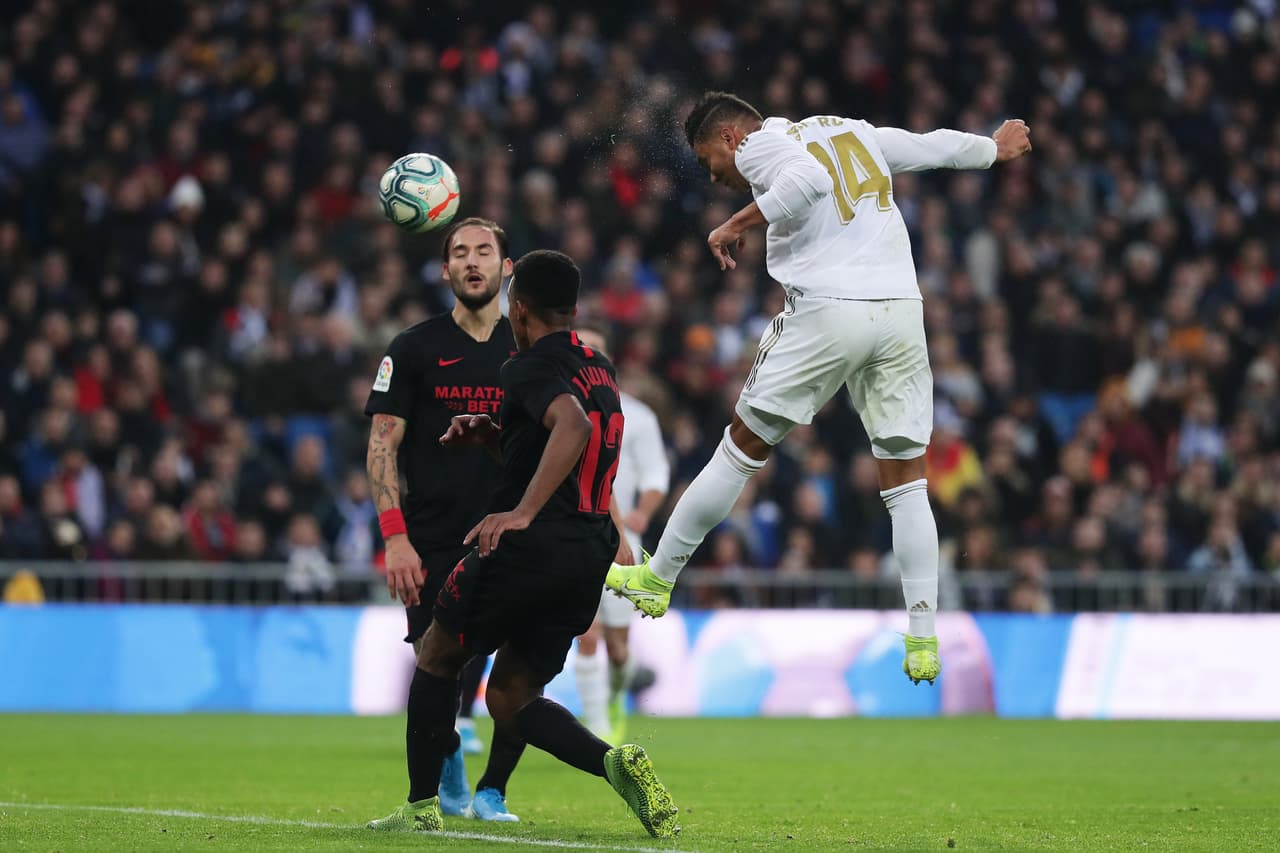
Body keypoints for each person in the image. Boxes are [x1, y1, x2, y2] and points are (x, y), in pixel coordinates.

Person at [607, 92, 1032, 685]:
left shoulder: (764, 144)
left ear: (730, 138)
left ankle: (657, 578)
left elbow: (804, 181)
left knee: (741, 447)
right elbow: (927, 146)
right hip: (901, 312)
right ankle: (923, 639)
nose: (716, 176)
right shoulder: (850, 131)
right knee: (906, 482)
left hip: (830, 308)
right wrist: (991, 148)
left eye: (710, 161)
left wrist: (736, 223)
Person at [367, 250, 679, 838]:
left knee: (436, 655)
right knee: (512, 695)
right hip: (585, 552)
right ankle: (612, 763)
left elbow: (573, 428)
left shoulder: (525, 366)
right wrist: (494, 438)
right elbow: (569, 446)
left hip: (531, 547)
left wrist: (519, 512)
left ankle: (418, 809)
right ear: (575, 309)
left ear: (520, 307)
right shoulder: (600, 367)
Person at [363, 217, 524, 822]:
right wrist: (395, 538)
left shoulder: (530, 348)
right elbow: (381, 446)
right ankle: (449, 755)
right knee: (438, 666)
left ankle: (494, 791)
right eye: (461, 253)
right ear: (446, 270)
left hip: (515, 535)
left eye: (486, 251)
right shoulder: (413, 348)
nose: (473, 261)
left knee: (516, 671)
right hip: (431, 541)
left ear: (507, 268)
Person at [572, 324, 669, 741]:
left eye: (595, 350)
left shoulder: (637, 416)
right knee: (586, 634)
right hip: (573, 534)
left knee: (619, 649)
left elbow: (655, 475)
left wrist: (642, 514)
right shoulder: (555, 408)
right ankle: (596, 729)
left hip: (620, 540)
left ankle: (614, 699)